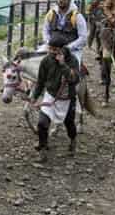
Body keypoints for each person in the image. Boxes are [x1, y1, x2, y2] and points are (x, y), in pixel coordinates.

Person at [31, 33, 80, 161]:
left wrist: (63, 64)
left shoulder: (73, 60)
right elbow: (40, 81)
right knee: (42, 123)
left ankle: (73, 140)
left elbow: (73, 79)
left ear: (62, 49)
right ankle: (43, 148)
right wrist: (34, 97)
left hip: (67, 98)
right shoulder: (46, 61)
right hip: (50, 96)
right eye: (50, 49)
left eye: (55, 49)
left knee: (69, 124)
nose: (51, 52)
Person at [42, 0, 88, 65]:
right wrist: (48, 42)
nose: (61, 0)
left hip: (72, 49)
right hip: (52, 47)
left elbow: (83, 38)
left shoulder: (77, 16)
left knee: (74, 68)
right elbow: (45, 31)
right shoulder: (50, 14)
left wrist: (68, 47)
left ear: (69, 0)